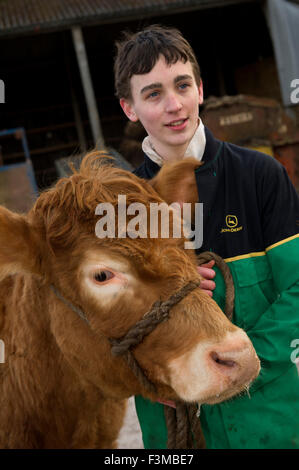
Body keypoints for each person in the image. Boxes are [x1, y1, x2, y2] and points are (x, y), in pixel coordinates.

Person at [114, 24, 299, 449]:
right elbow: (101, 322)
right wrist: (165, 296)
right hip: (172, 424)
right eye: (153, 93)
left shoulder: (260, 175)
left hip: (265, 416)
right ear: (129, 107)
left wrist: (239, 363)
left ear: (200, 88)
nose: (174, 105)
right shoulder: (120, 206)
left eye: (182, 85)